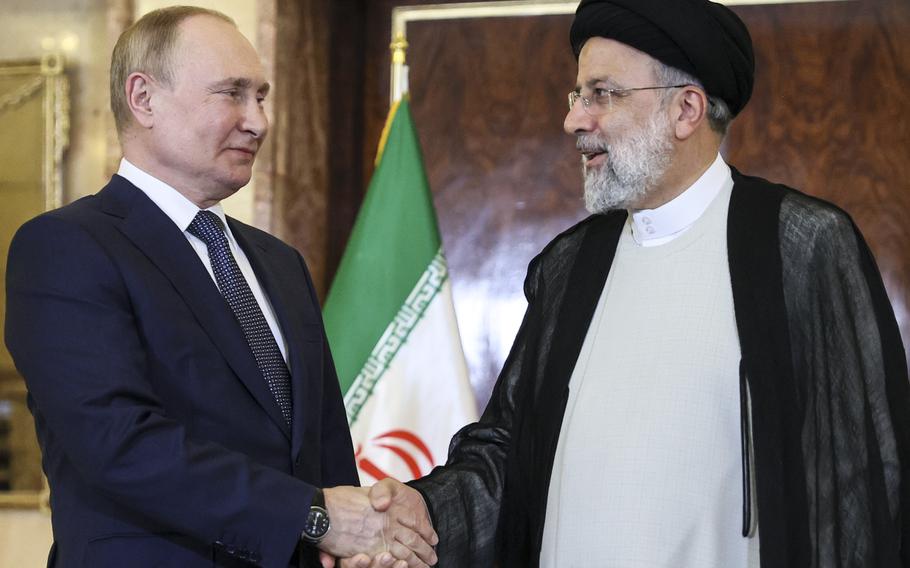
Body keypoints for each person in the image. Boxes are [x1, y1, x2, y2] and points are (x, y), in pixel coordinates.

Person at [356, 0, 910, 566]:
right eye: (579, 96)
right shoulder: (569, 267)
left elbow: (862, 481)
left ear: (686, 110)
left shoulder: (799, 246)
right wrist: (423, 512)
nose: (574, 120)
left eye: (602, 94)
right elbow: (509, 453)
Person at [4, 7, 436, 568]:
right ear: (144, 98)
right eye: (232, 93)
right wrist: (314, 516)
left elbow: (325, 456)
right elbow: (118, 444)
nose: (258, 121)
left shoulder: (280, 263)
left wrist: (360, 538)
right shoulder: (65, 248)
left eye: (262, 95)